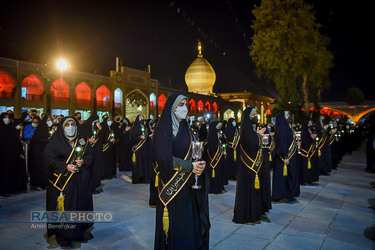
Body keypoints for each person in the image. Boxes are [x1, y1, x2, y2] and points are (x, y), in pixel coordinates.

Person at [153, 93, 210, 249]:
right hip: (172, 183)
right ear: (172, 107)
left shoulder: (186, 128)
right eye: (180, 105)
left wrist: (199, 165)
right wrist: (190, 167)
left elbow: (193, 152)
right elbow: (164, 158)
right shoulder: (163, 129)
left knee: (188, 220)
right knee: (176, 222)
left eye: (186, 104)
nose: (184, 108)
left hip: (189, 185)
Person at [44, 116, 93, 248]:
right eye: (67, 125)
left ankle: (78, 231)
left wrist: (83, 161)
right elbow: (48, 159)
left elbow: (89, 155)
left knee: (79, 205)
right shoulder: (56, 140)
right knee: (65, 208)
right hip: (62, 181)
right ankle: (63, 235)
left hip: (80, 180)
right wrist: (65, 166)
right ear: (62, 127)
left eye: (73, 124)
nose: (70, 127)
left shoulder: (82, 140)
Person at [233, 107, 267, 224]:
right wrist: (258, 136)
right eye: (254, 114)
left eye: (256, 114)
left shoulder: (251, 129)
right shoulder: (246, 129)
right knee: (248, 190)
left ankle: (255, 212)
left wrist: (257, 135)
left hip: (254, 165)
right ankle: (247, 215)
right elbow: (252, 143)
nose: (256, 116)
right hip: (247, 167)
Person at [272, 111, 300, 203]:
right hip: (283, 159)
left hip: (287, 156)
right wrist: (286, 157)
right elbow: (282, 143)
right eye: (287, 115)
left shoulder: (286, 126)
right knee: (282, 177)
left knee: (286, 177)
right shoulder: (283, 127)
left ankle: (287, 194)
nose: (289, 116)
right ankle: (281, 195)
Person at [0, 112, 27, 196]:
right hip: (2, 156)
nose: (6, 119)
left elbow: (17, 142)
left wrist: (21, 152)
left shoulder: (12, 129)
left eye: (8, 117)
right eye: (5, 117)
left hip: (12, 155)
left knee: (11, 173)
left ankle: (10, 190)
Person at [29, 114, 52, 191]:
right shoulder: (41, 128)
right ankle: (37, 184)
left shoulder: (46, 128)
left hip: (44, 153)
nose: (50, 122)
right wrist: (47, 139)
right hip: (38, 153)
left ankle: (44, 183)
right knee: (38, 169)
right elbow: (36, 139)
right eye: (48, 120)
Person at [130, 115, 151, 183]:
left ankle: (145, 178)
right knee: (138, 164)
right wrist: (139, 137)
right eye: (140, 118)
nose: (142, 119)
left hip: (145, 149)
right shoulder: (135, 128)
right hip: (138, 150)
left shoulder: (145, 127)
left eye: (143, 118)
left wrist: (149, 136)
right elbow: (132, 139)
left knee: (145, 163)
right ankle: (137, 178)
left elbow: (146, 136)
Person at [206, 121, 226, 194]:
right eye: (218, 126)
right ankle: (214, 189)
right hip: (214, 159)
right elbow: (212, 149)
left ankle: (219, 187)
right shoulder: (211, 136)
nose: (219, 128)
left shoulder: (218, 135)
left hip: (219, 159)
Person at [300, 120, 320, 185]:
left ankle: (310, 179)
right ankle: (304, 180)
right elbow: (304, 141)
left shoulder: (311, 130)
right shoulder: (305, 131)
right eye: (310, 123)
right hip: (305, 152)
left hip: (312, 152)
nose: (311, 124)